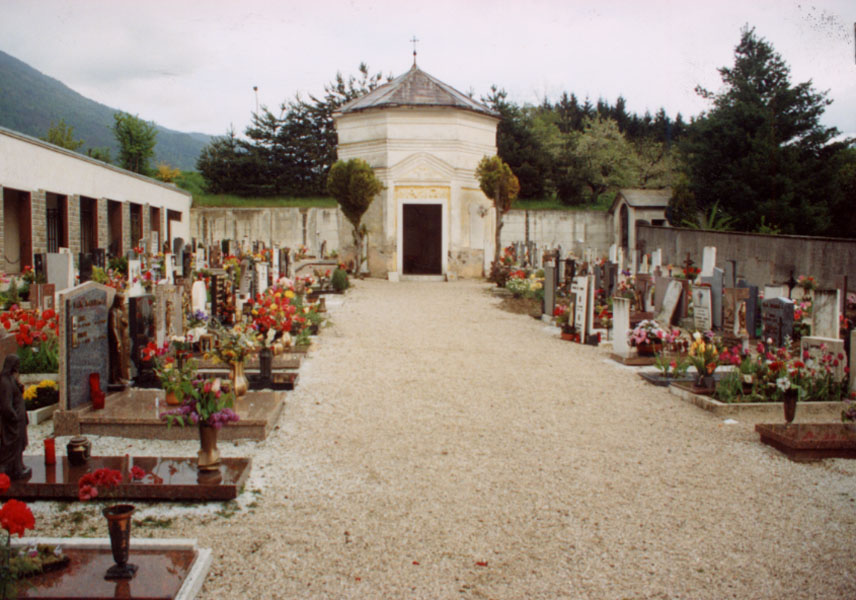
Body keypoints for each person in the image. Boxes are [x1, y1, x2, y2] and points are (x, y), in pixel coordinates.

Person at [0, 355, 30, 480]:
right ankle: (12, 469)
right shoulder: (4, 382)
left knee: (20, 443)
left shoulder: (11, 379)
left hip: (19, 418)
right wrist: (14, 417)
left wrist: (20, 387)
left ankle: (18, 465)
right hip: (13, 421)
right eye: (16, 364)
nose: (18, 367)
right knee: (13, 445)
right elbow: (6, 405)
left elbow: (16, 394)